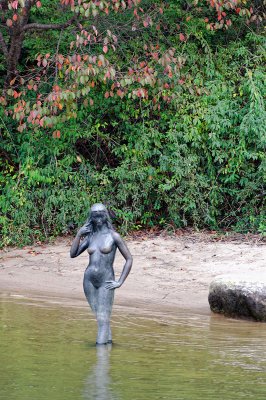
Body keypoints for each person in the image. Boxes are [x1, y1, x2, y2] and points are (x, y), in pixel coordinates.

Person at [70, 203, 133, 345]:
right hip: (89, 280)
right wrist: (79, 234)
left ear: (105, 216)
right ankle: (108, 345)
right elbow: (73, 254)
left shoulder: (114, 236)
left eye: (100, 214)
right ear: (91, 217)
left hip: (106, 279)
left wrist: (120, 281)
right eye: (94, 215)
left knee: (103, 317)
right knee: (100, 317)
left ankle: (100, 354)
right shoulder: (91, 236)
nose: (98, 217)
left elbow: (129, 259)